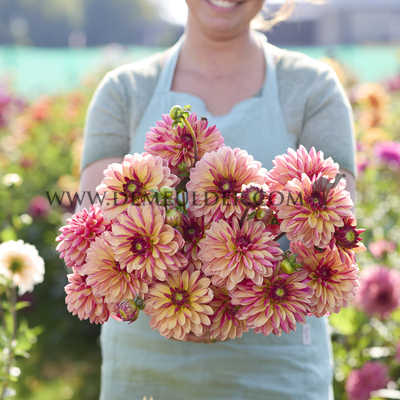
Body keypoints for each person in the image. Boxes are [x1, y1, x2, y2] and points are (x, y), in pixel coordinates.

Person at [78, 0, 356, 399]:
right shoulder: (125, 89)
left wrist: (234, 291)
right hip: (147, 372)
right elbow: (91, 225)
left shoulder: (313, 87)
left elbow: (337, 225)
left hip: (278, 374)